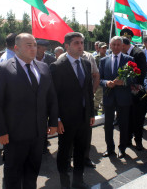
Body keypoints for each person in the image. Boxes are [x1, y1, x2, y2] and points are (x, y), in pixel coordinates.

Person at [0, 33, 58, 188]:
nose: (33, 48)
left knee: (32, 172)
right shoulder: (3, 69)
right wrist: (0, 131)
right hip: (14, 134)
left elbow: (51, 97)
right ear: (16, 48)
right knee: (13, 175)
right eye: (28, 45)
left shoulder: (43, 67)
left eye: (34, 45)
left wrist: (53, 121)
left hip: (38, 133)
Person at [50, 32, 94, 188]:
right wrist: (57, 119)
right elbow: (53, 96)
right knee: (64, 152)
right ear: (67, 46)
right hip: (66, 119)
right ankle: (64, 183)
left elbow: (88, 91)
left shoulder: (86, 64)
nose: (80, 45)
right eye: (76, 43)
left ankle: (78, 180)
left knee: (81, 150)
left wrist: (91, 113)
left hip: (83, 117)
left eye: (81, 42)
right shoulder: (57, 67)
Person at [100, 36, 134, 159]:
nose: (116, 47)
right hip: (109, 97)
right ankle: (110, 148)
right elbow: (100, 79)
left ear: (122, 46)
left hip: (123, 97)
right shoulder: (104, 60)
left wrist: (124, 82)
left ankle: (122, 148)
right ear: (110, 45)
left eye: (118, 45)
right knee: (108, 125)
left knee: (123, 124)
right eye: (113, 44)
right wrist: (106, 83)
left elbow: (134, 78)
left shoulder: (129, 60)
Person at [121, 35, 147, 151]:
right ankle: (127, 140)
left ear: (124, 45)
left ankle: (138, 141)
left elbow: (141, 75)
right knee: (128, 118)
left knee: (138, 119)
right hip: (127, 93)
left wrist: (132, 85)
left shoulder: (138, 53)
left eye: (120, 46)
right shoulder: (124, 54)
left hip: (138, 93)